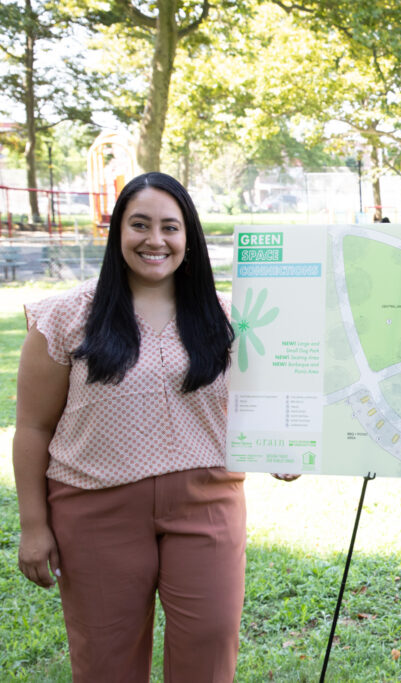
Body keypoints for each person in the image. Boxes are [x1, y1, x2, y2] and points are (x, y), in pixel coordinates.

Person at [13, 172, 250, 681]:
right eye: (139, 224)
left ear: (189, 237)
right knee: (106, 661)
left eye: (170, 227)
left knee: (210, 648)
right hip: (94, 510)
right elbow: (32, 428)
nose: (155, 240)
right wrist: (33, 526)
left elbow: (261, 409)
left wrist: (284, 449)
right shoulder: (64, 318)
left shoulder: (231, 320)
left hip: (206, 506)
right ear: (118, 230)